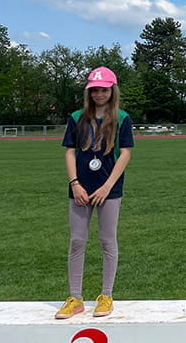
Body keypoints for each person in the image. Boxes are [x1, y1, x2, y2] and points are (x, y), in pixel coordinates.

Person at [55, 67, 134, 319]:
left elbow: (125, 154)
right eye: (95, 90)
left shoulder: (122, 118)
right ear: (89, 92)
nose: (99, 94)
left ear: (112, 91)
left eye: (104, 89)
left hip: (108, 188)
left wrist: (107, 186)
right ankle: (75, 298)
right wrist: (75, 183)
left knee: (107, 241)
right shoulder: (77, 117)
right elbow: (69, 151)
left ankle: (106, 296)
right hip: (80, 188)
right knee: (77, 241)